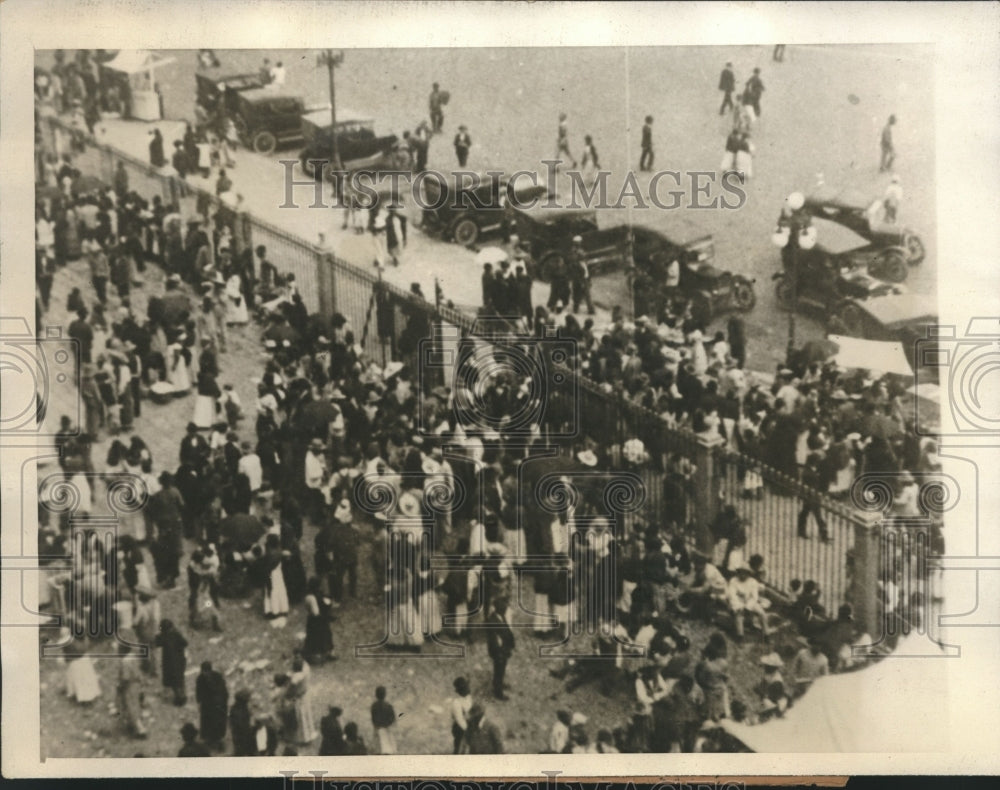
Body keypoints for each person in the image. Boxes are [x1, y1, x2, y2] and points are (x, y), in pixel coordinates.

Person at [726, 563, 771, 640]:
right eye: (741, 572)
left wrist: (748, 607)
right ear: (738, 573)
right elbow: (732, 595)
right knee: (739, 614)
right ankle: (740, 636)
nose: (743, 575)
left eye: (745, 573)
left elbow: (754, 597)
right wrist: (739, 606)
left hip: (750, 602)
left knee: (762, 614)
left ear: (748, 574)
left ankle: (766, 635)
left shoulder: (752, 582)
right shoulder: (733, 581)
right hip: (737, 602)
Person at [486, 596, 515, 700]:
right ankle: (498, 691)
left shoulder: (500, 616)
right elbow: (494, 641)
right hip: (499, 651)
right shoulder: (492, 621)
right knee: (499, 669)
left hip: (504, 649)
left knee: (501, 669)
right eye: (504, 606)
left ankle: (499, 683)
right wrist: (499, 652)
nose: (506, 608)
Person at [195, 661, 229, 750]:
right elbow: (198, 691)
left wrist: (220, 703)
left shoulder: (217, 677)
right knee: (207, 723)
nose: (205, 673)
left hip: (218, 705)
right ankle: (209, 740)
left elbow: (223, 691)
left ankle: (218, 741)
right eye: (203, 671)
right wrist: (199, 702)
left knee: (218, 723)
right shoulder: (200, 678)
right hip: (207, 706)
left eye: (206, 671)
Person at [116, 643, 148, 738]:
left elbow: (125, 677)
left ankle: (139, 729)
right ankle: (134, 724)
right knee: (136, 704)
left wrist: (120, 686)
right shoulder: (133, 656)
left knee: (131, 706)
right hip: (137, 683)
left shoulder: (125, 661)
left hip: (129, 686)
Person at [154, 618, 188, 705]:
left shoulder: (164, 636)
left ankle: (179, 698)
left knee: (174, 682)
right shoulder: (176, 634)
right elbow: (185, 643)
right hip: (180, 660)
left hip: (169, 663)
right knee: (179, 680)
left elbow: (156, 643)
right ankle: (182, 696)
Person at [302, 576, 335, 664]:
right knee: (318, 637)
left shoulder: (316, 594)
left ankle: (327, 653)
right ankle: (318, 656)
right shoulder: (310, 597)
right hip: (316, 621)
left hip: (320, 619)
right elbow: (315, 613)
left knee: (326, 635)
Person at [370, 685, 397, 754]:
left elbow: (373, 718)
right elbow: (392, 718)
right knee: (388, 749)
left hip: (378, 729)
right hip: (386, 729)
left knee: (378, 749)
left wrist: (377, 725)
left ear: (376, 695)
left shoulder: (374, 706)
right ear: (385, 695)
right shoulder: (388, 706)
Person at [450, 676, 473, 754]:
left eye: (467, 686)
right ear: (460, 691)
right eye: (466, 687)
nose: (468, 689)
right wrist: (468, 730)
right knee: (459, 748)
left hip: (469, 727)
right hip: (460, 729)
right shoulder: (456, 703)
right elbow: (459, 720)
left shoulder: (469, 698)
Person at [229, 689, 255, 756]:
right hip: (241, 734)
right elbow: (242, 724)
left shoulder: (237, 707)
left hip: (238, 733)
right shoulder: (240, 709)